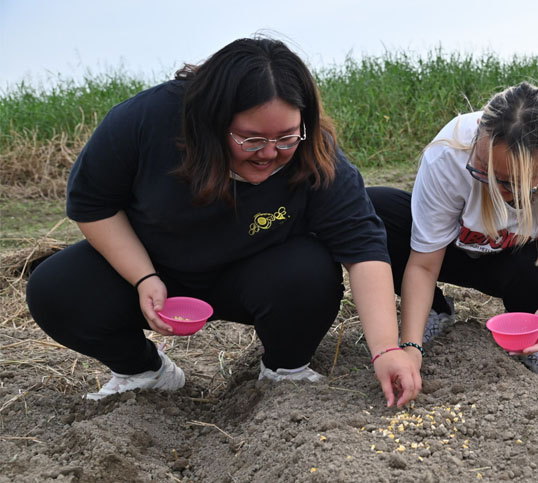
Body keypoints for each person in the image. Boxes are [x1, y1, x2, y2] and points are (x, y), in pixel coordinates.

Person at [26, 37, 421, 406]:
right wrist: (143, 277)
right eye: (250, 139)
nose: (269, 153)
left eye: (286, 137)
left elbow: (364, 248)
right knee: (56, 288)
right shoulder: (146, 121)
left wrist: (386, 350)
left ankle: (285, 369)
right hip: (157, 269)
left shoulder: (314, 152)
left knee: (310, 269)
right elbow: (92, 205)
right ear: (212, 121)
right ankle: (144, 371)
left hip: (254, 274)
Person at [368, 82, 538, 386]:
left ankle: (527, 331)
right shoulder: (449, 152)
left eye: (511, 184)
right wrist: (411, 348)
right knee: (374, 211)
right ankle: (434, 312)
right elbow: (423, 263)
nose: (494, 191)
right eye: (483, 170)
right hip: (451, 254)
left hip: (515, 263)